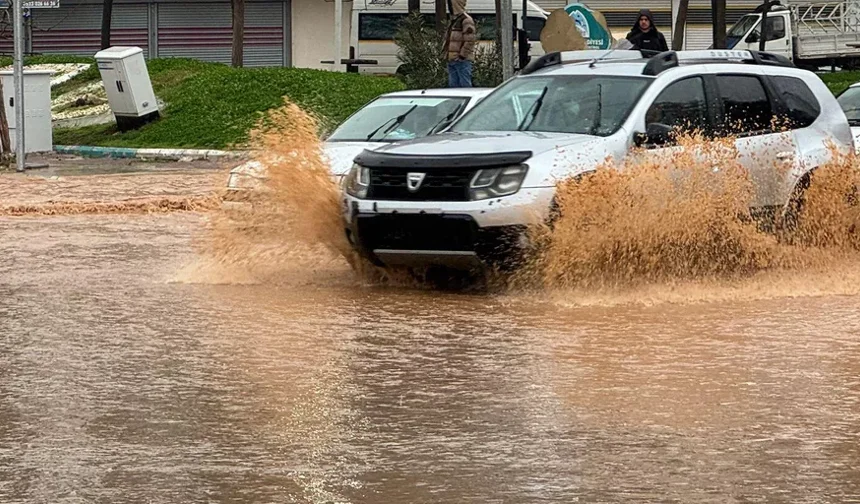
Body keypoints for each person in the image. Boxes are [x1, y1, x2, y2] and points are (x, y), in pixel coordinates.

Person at [445, 0, 477, 88]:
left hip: (461, 60)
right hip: (452, 59)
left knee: (465, 87)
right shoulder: (454, 20)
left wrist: (462, 56)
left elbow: (470, 40)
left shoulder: (466, 20)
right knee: (453, 88)